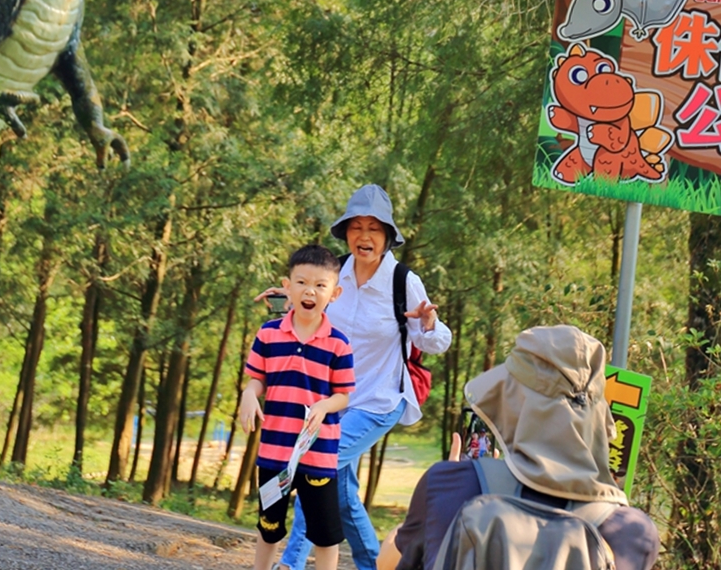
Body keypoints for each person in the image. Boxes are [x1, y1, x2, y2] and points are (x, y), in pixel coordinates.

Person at [381, 325, 659, 570]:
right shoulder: (634, 532)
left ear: (511, 402)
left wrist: (443, 491)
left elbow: (387, 564)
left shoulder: (447, 485)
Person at [277, 184, 452, 570]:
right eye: (356, 227)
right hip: (334, 402)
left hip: (379, 401)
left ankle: (290, 563)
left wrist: (429, 323)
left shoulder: (402, 281)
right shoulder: (333, 274)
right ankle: (372, 565)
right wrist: (290, 298)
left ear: (388, 235)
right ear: (346, 233)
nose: (364, 236)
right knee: (341, 495)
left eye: (374, 228)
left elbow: (438, 342)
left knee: (316, 463)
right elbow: (310, 315)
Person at [240, 244, 355, 570]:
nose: (311, 291)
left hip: (318, 454)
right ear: (287, 286)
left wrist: (324, 406)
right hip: (274, 452)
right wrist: (249, 393)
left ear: (334, 293)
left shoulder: (339, 343)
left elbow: (344, 395)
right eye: (302, 282)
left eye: (321, 285)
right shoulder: (269, 334)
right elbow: (256, 378)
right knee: (269, 527)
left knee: (324, 535)